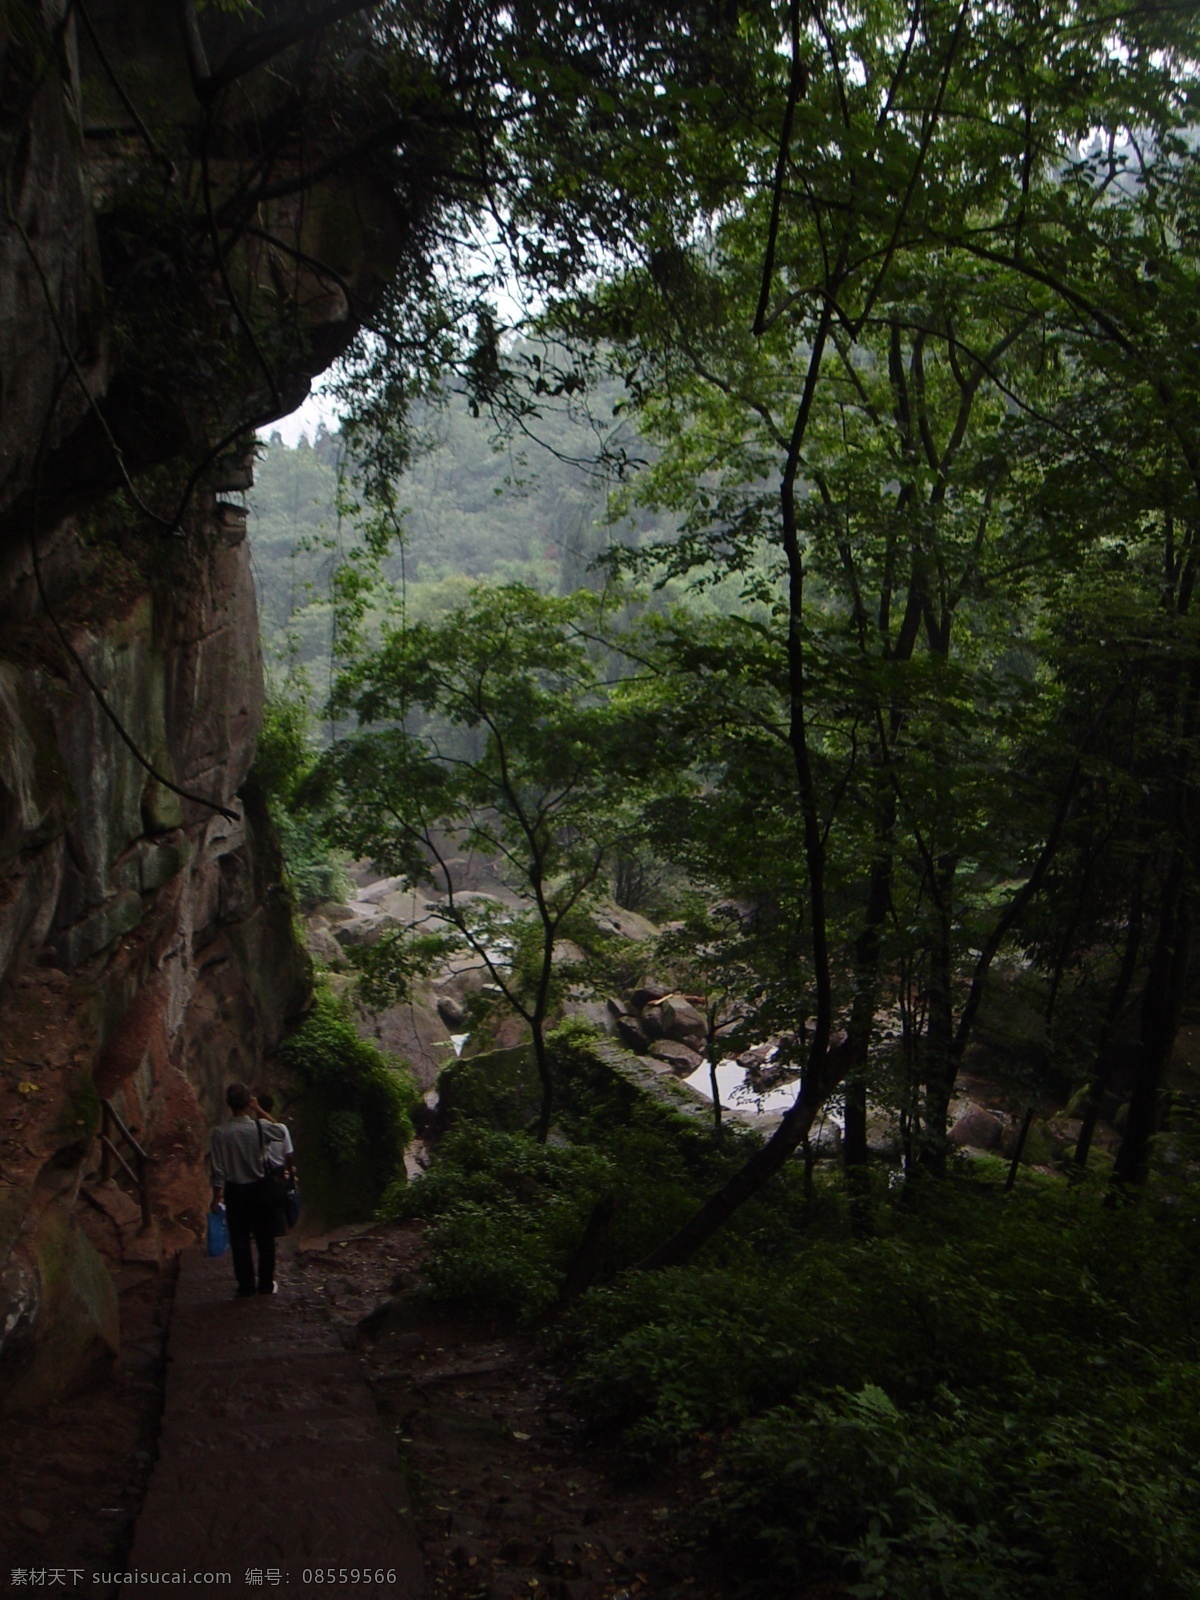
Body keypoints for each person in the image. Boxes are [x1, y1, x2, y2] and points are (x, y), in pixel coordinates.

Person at [209, 1083, 285, 1297]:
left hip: (235, 1191)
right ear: (248, 1102)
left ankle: (246, 1286)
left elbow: (218, 1169)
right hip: (261, 1189)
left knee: (240, 1239)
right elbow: (281, 1132)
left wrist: (217, 1196)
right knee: (265, 1238)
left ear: (228, 1104)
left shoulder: (219, 1133)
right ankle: (266, 1284)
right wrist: (259, 1110)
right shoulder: (259, 1127)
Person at [255, 1091, 297, 1235]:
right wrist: (290, 1171)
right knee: (278, 1211)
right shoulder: (280, 1128)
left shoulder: (249, 1129)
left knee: (259, 1215)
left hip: (256, 1176)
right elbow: (289, 1155)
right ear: (272, 1109)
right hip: (277, 1176)